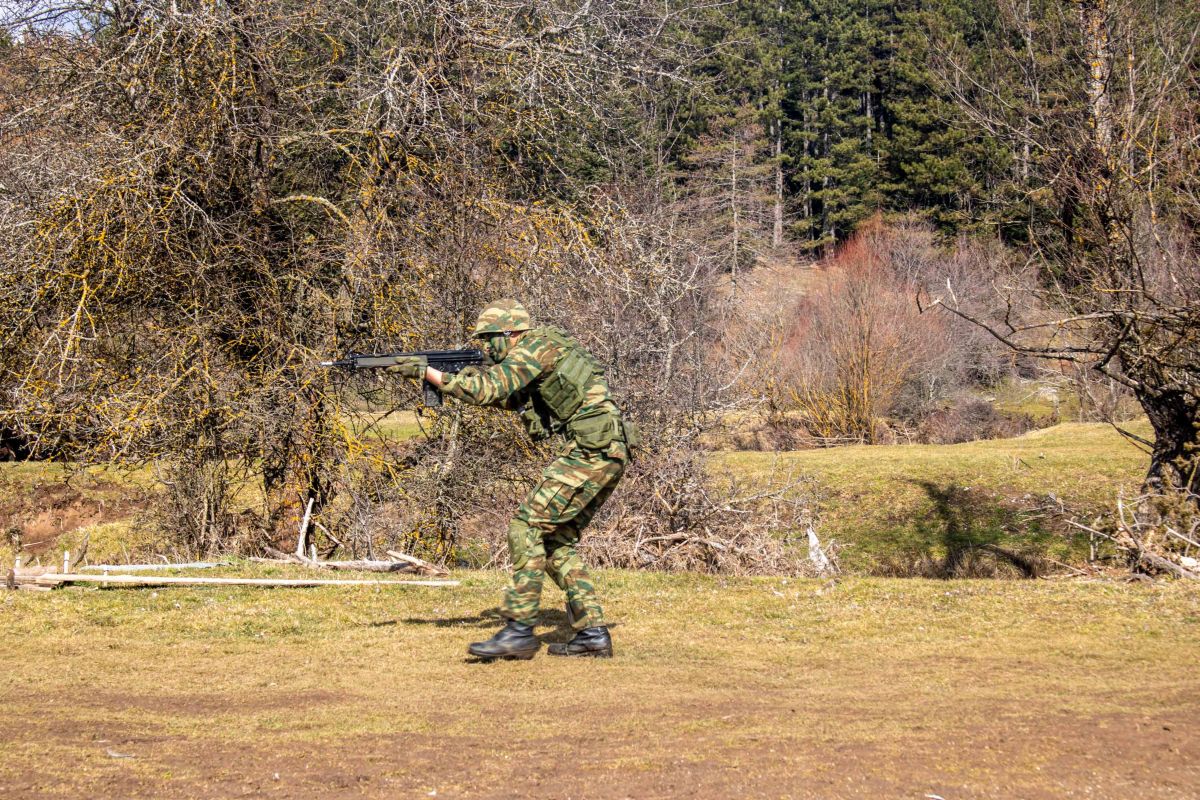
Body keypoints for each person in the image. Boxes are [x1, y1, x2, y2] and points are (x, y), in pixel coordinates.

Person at [389, 299, 637, 660]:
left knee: (526, 527)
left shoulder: (534, 347)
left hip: (592, 448)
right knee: (555, 541)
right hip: (606, 448)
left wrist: (430, 374)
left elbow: (490, 389)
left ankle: (519, 631)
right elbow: (509, 396)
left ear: (509, 333)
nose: (486, 349)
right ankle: (592, 633)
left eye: (489, 340)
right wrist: (452, 380)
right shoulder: (542, 347)